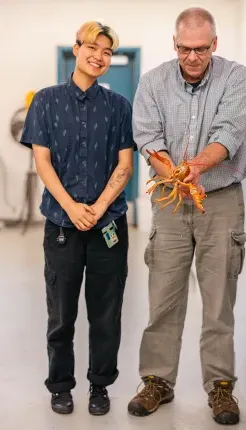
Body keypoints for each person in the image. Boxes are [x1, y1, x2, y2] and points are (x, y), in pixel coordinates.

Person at [128, 7, 246, 426]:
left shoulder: (235, 78)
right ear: (175, 44)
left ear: (214, 44)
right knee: (164, 294)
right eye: (185, 48)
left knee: (219, 298)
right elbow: (148, 137)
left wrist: (197, 167)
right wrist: (179, 178)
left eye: (201, 49)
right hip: (169, 198)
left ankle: (220, 388)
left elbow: (229, 133)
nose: (193, 57)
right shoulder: (152, 82)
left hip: (220, 200)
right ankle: (157, 382)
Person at [20, 21, 134, 416]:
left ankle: (99, 386)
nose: (99, 57)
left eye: (107, 52)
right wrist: (70, 207)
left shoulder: (119, 106)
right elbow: (42, 161)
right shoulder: (46, 102)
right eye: (92, 47)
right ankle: (60, 385)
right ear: (76, 48)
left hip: (108, 226)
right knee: (61, 312)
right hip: (62, 227)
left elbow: (124, 165)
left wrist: (99, 208)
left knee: (106, 313)